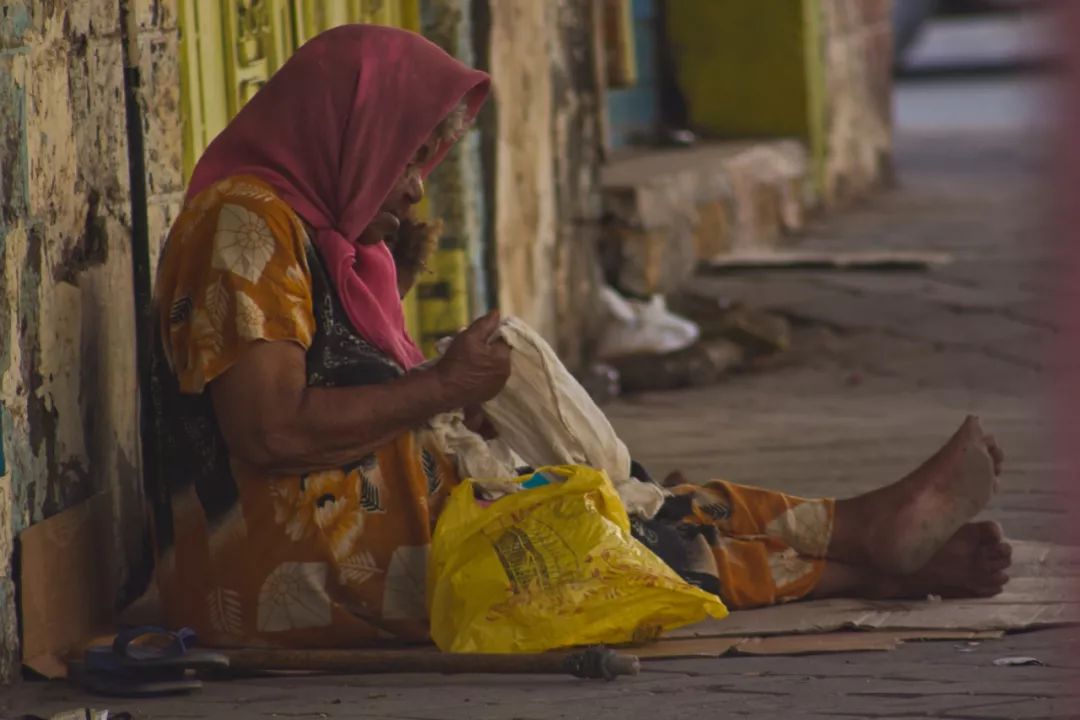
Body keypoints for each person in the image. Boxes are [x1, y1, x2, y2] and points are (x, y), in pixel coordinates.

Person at [148, 25, 1011, 649]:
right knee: (586, 538)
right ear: (346, 133)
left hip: (338, 530)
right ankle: (870, 555)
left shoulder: (311, 234)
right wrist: (445, 389)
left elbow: (328, 379)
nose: (414, 192)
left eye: (425, 166)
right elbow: (270, 431)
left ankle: (865, 539)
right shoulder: (242, 225)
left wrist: (426, 353)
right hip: (282, 568)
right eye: (405, 160)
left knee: (625, 504)